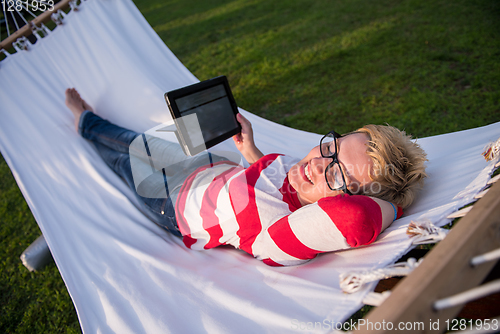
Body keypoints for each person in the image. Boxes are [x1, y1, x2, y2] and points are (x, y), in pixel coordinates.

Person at [65, 88, 427, 266]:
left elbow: (357, 218)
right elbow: (269, 174)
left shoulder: (277, 232)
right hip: (211, 169)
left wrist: (391, 202)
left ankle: (85, 124)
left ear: (350, 197)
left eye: (338, 174)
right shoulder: (301, 173)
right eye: (331, 148)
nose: (318, 163)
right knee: (138, 142)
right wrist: (249, 149)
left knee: (125, 160)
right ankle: (94, 124)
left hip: (173, 203)